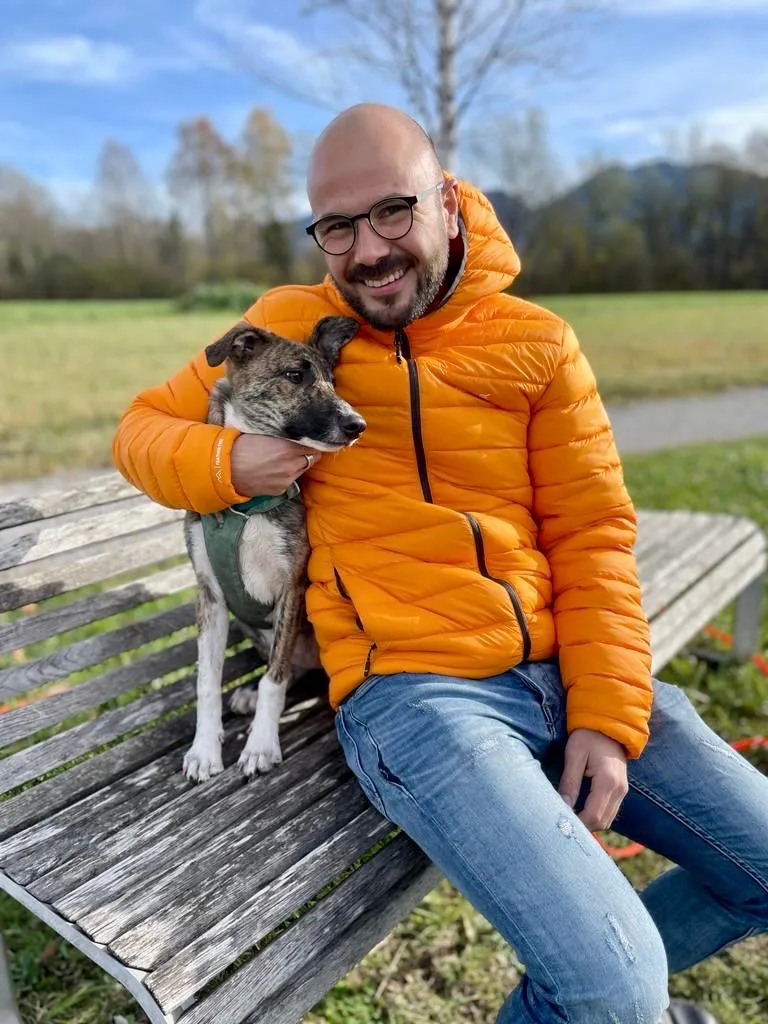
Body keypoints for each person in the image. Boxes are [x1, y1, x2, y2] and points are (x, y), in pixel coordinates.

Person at [113, 103, 768, 1024]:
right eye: (337, 227)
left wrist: (608, 713)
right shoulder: (291, 324)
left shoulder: (537, 343)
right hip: (415, 693)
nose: (368, 249)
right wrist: (227, 463)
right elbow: (139, 430)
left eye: (392, 211)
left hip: (555, 664)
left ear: (449, 203)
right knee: (615, 986)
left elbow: (591, 534)